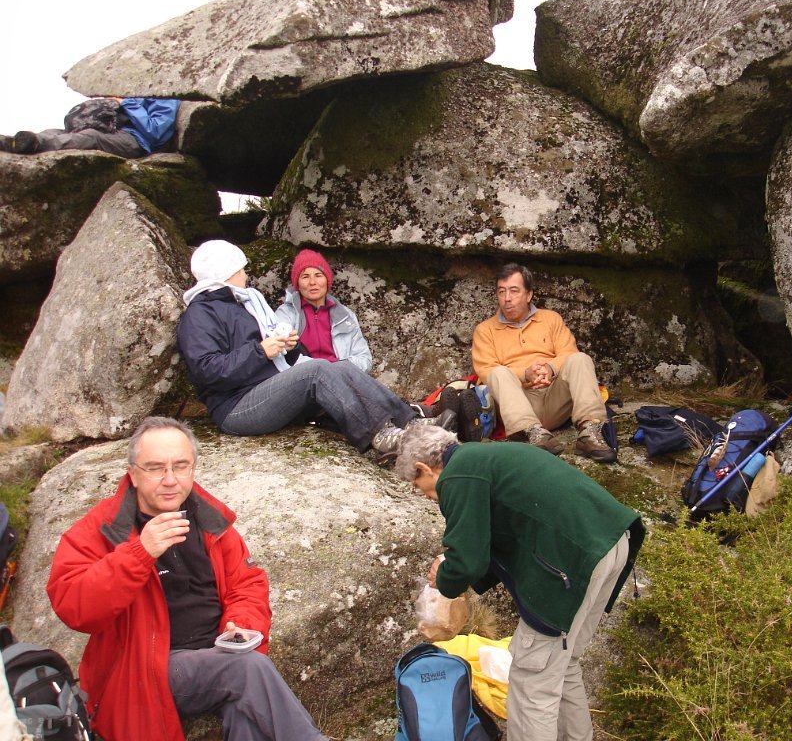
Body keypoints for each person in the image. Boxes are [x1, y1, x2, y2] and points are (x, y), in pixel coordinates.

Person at [47, 416, 329, 741]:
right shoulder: (103, 528)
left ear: (193, 469)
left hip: (218, 653)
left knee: (246, 713)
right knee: (249, 668)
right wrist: (139, 553)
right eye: (155, 468)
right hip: (151, 666)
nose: (170, 480)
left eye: (180, 466)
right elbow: (74, 607)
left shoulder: (208, 518)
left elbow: (246, 583)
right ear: (133, 474)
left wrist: (240, 625)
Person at [395, 424, 645, 741]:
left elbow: (468, 560)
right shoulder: (486, 458)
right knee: (564, 665)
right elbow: (491, 538)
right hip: (611, 544)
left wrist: (445, 579)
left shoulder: (457, 474)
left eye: (417, 485)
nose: (423, 494)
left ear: (424, 467)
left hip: (572, 564)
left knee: (532, 681)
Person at [176, 239, 453, 456]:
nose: (245, 274)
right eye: (241, 269)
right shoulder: (200, 313)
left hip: (262, 391)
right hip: (235, 408)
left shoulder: (243, 304)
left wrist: (288, 347)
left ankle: (409, 421)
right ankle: (379, 436)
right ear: (226, 272)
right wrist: (261, 351)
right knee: (318, 370)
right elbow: (206, 371)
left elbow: (272, 359)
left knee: (340, 367)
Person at [471, 262, 616, 463]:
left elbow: (568, 352)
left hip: (555, 398)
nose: (507, 298)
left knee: (580, 359)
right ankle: (533, 433)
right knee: (496, 373)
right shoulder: (485, 330)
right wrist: (525, 374)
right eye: (501, 292)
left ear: (529, 294)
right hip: (518, 404)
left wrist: (550, 368)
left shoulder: (550, 319)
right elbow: (485, 370)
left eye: (514, 291)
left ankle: (590, 432)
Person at [275, 248, 372, 371]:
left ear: (327, 280)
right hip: (303, 378)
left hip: (341, 376)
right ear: (297, 284)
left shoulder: (345, 316)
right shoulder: (286, 314)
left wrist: (338, 368)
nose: (312, 282)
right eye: (305, 276)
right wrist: (322, 369)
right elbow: (280, 357)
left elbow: (365, 359)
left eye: (318, 275)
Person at [0, 97, 180, 158]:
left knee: (91, 137)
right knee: (59, 132)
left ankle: (36, 144)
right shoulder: (136, 92)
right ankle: (16, 141)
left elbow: (155, 131)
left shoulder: (166, 98)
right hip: (112, 129)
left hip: (135, 141)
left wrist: (126, 103)